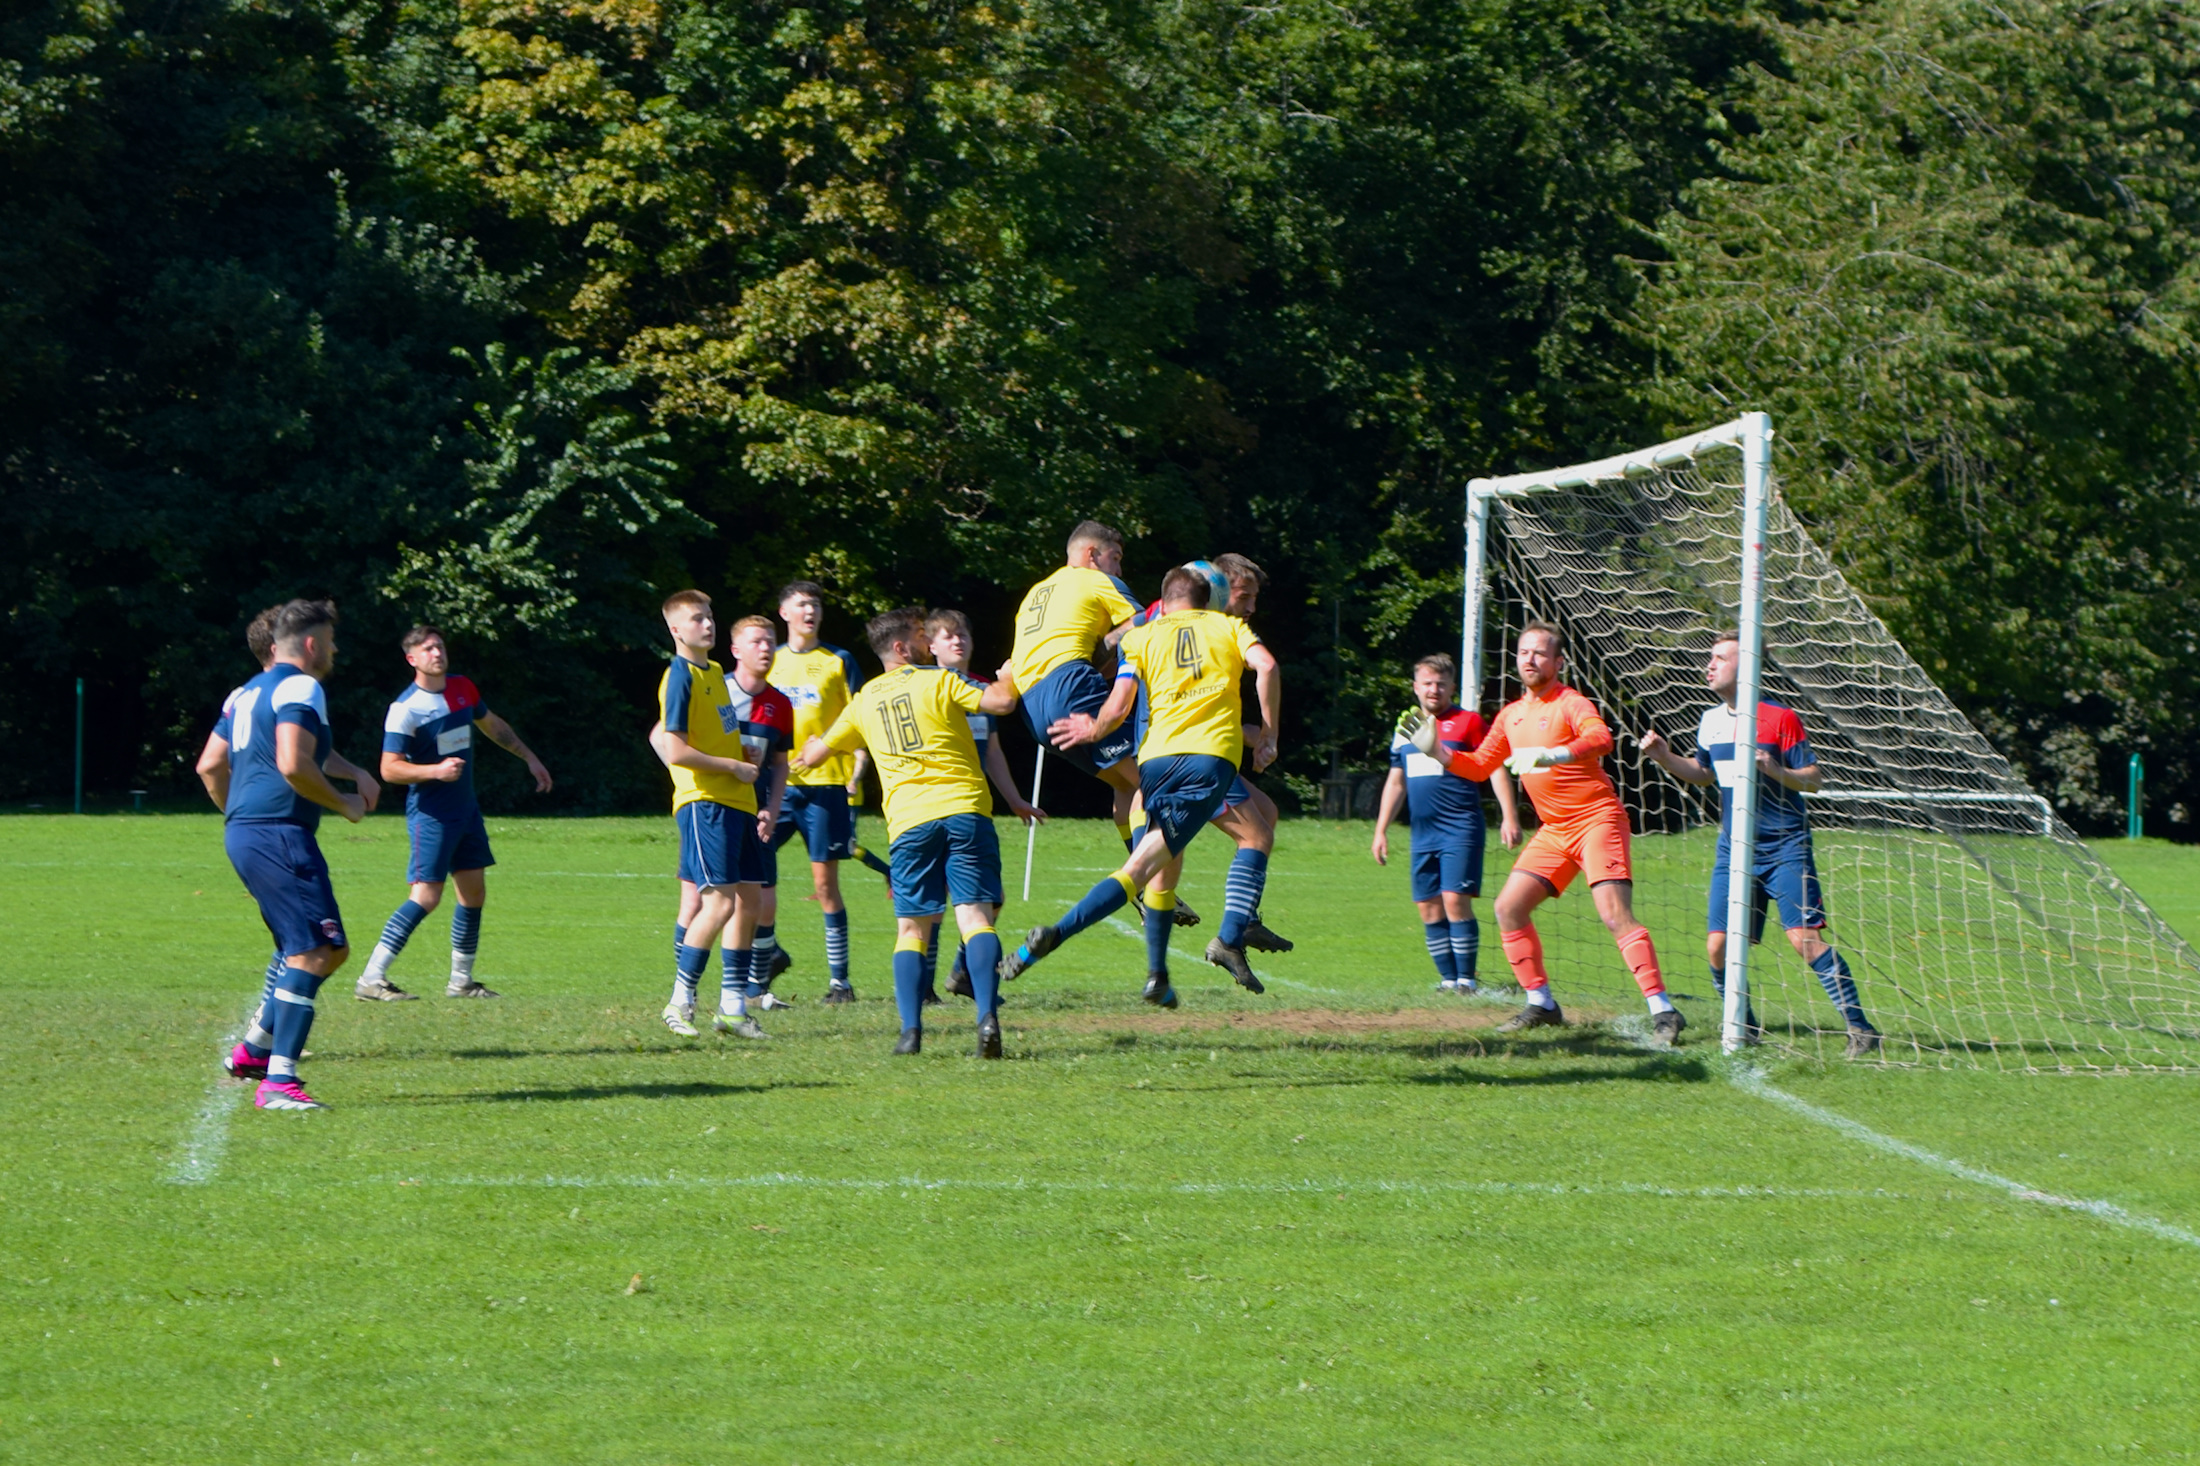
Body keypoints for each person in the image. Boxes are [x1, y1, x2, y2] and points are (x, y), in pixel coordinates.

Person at [1002, 566, 1282, 1005]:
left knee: (1153, 863)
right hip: (1203, 761)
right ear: (1212, 596)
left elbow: (1117, 704)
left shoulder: (1141, 637)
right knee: (1256, 833)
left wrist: (1092, 728)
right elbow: (1266, 666)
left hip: (1154, 762)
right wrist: (1269, 735)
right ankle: (1231, 934)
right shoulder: (1225, 628)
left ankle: (1155, 974)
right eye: (1242, 597)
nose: (1246, 607)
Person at [1407, 622, 1683, 1043]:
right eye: (1523, 653)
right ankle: (1542, 1004)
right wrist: (1439, 752)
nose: (1530, 660)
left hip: (1597, 819)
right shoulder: (1511, 715)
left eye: (1539, 653)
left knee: (1613, 914)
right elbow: (1480, 766)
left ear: (1558, 662)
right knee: (1508, 909)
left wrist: (1553, 754)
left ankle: (1663, 1010)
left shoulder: (1570, 702)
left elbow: (1601, 738)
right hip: (1554, 830)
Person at [1640, 631, 1882, 1056]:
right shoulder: (1710, 719)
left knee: (1803, 941)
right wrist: (1664, 757)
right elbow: (1703, 773)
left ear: (1746, 667)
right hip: (1734, 849)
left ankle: (1860, 1029)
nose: (1709, 665)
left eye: (1720, 658)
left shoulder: (1780, 717)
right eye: (1709, 658)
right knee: (1718, 945)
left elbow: (1815, 780)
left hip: (1785, 846)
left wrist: (1774, 769)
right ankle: (1744, 1026)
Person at [794, 607, 1023, 1056]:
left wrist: (802, 752)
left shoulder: (863, 700)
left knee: (911, 928)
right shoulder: (940, 680)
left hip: (910, 823)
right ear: (901, 647)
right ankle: (986, 1019)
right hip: (965, 810)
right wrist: (1009, 676)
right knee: (975, 918)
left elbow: (817, 753)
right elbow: (1001, 703)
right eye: (921, 636)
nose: (928, 641)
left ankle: (910, 1031)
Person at [199, 605, 382, 1081]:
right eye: (330, 639)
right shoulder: (304, 685)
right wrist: (344, 803)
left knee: (316, 948)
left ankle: (253, 1052)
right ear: (309, 644)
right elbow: (294, 763)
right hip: (279, 832)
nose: (334, 649)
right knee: (315, 952)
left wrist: (239, 812)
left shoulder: (244, 693)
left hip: (250, 831)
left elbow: (210, 766)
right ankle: (280, 1080)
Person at [352, 626, 552, 1002]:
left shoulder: (463, 688)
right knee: (426, 896)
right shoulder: (405, 709)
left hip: (466, 809)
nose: (436, 652)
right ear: (412, 659)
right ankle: (371, 978)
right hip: (432, 814)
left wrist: (529, 757)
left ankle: (461, 981)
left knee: (473, 893)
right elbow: (389, 769)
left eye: (439, 646)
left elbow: (492, 725)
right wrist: (434, 771)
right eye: (427, 649)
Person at [653, 616, 795, 1013]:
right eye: (757, 641)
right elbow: (665, 740)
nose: (766, 648)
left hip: (748, 808)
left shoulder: (779, 704)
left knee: (751, 901)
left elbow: (779, 764)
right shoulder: (707, 683)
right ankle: (682, 995)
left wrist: (771, 806)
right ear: (737, 650)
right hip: (708, 805)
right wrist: (695, 782)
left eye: (771, 641)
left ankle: (735, 1004)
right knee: (703, 901)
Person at [1007, 522, 1161, 876]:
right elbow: (1146, 623)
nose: (1119, 569)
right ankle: (1144, 879)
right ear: (1092, 554)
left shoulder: (1036, 593)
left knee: (1123, 783)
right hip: (1071, 685)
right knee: (1153, 780)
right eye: (1116, 558)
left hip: (1032, 708)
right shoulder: (1095, 579)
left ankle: (1137, 878)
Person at [767, 581, 893, 1004]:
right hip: (776, 788)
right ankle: (768, 955)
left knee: (825, 885)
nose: (810, 611)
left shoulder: (838, 661)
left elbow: (861, 717)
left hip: (825, 788)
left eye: (816, 605)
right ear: (783, 612)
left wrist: (851, 759)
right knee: (750, 872)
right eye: (801, 604)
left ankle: (840, 982)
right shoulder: (770, 662)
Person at [1372, 653, 1520, 992]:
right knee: (1428, 906)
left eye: (1441, 683)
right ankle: (1448, 980)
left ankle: (1467, 979)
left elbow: (1494, 766)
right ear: (1415, 687)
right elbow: (1397, 782)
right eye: (1427, 683)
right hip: (1423, 833)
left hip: (1461, 827)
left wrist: (1509, 816)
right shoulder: (1405, 728)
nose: (1434, 689)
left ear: (1452, 687)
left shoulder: (1468, 723)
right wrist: (1381, 830)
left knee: (1455, 900)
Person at [923, 607, 1045, 1001]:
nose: (957, 641)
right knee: (932, 902)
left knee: (991, 899)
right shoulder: (922, 686)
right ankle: (924, 987)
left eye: (962, 635)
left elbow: (992, 751)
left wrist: (1014, 799)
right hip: (930, 805)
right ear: (930, 647)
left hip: (973, 806)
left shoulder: (982, 691)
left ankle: (962, 973)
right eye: (946, 636)